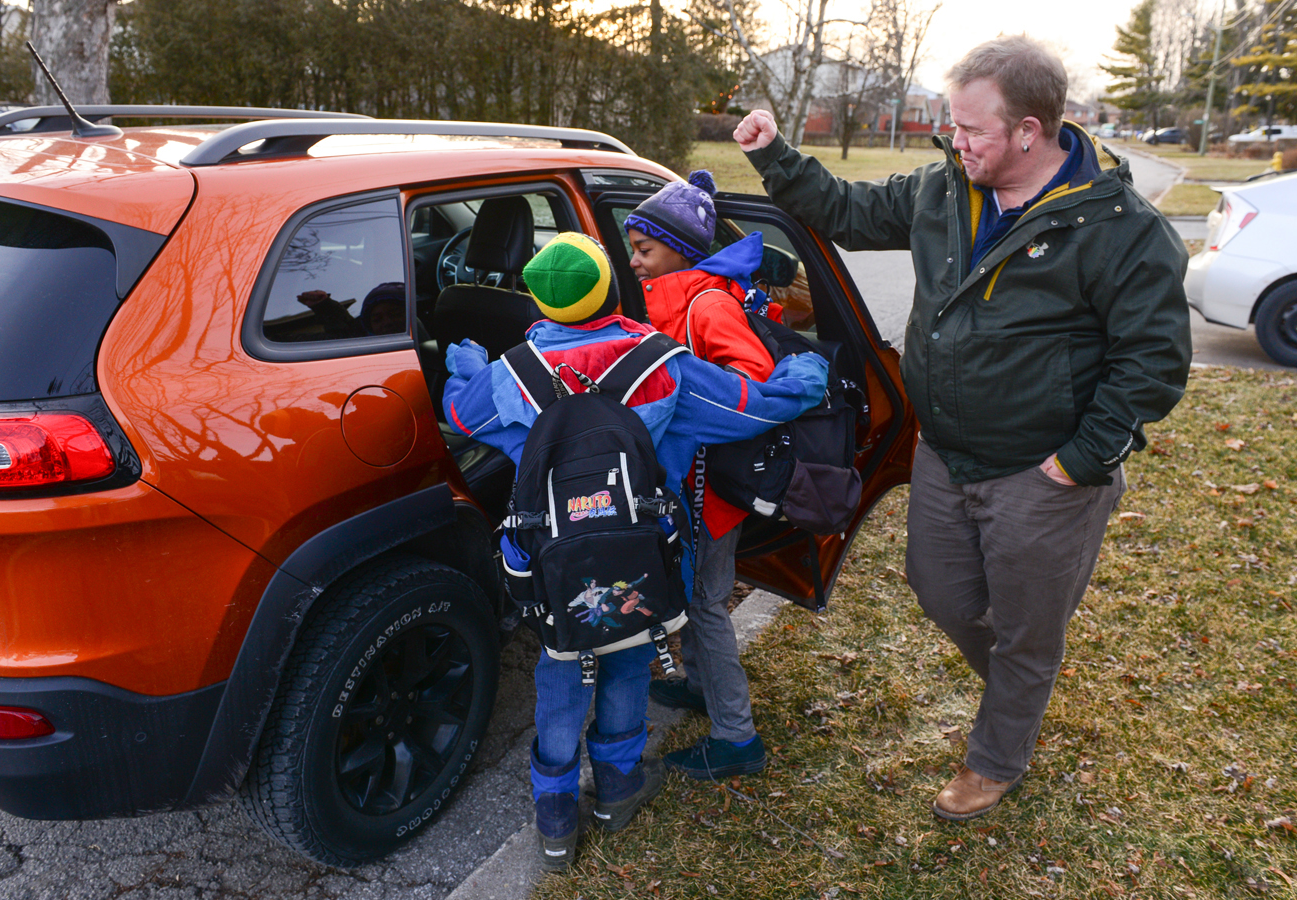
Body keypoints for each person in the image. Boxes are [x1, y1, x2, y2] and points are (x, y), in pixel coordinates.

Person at [734, 35, 1191, 821]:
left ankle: (999, 754)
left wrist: (1076, 463)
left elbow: (1153, 365)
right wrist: (777, 156)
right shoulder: (945, 190)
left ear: (1029, 131)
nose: (954, 142)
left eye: (970, 129)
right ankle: (1022, 681)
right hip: (945, 453)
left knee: (1023, 625)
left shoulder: (1118, 228)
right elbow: (845, 210)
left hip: (1042, 470)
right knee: (940, 591)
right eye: (951, 126)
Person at [441, 232, 828, 867]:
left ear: (538, 298)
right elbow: (755, 407)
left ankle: (556, 811)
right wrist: (805, 369)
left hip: (551, 565)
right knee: (626, 658)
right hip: (641, 555)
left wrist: (465, 362)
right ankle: (618, 785)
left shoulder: (509, 376)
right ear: (609, 288)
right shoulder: (662, 364)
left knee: (560, 667)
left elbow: (460, 417)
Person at [623, 172, 780, 780]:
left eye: (644, 249)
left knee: (707, 603)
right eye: (633, 248)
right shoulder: (674, 298)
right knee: (690, 594)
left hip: (711, 489)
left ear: (680, 251)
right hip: (687, 484)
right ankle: (695, 682)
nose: (634, 261)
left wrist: (689, 405)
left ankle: (737, 738)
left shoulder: (706, 305)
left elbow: (755, 388)